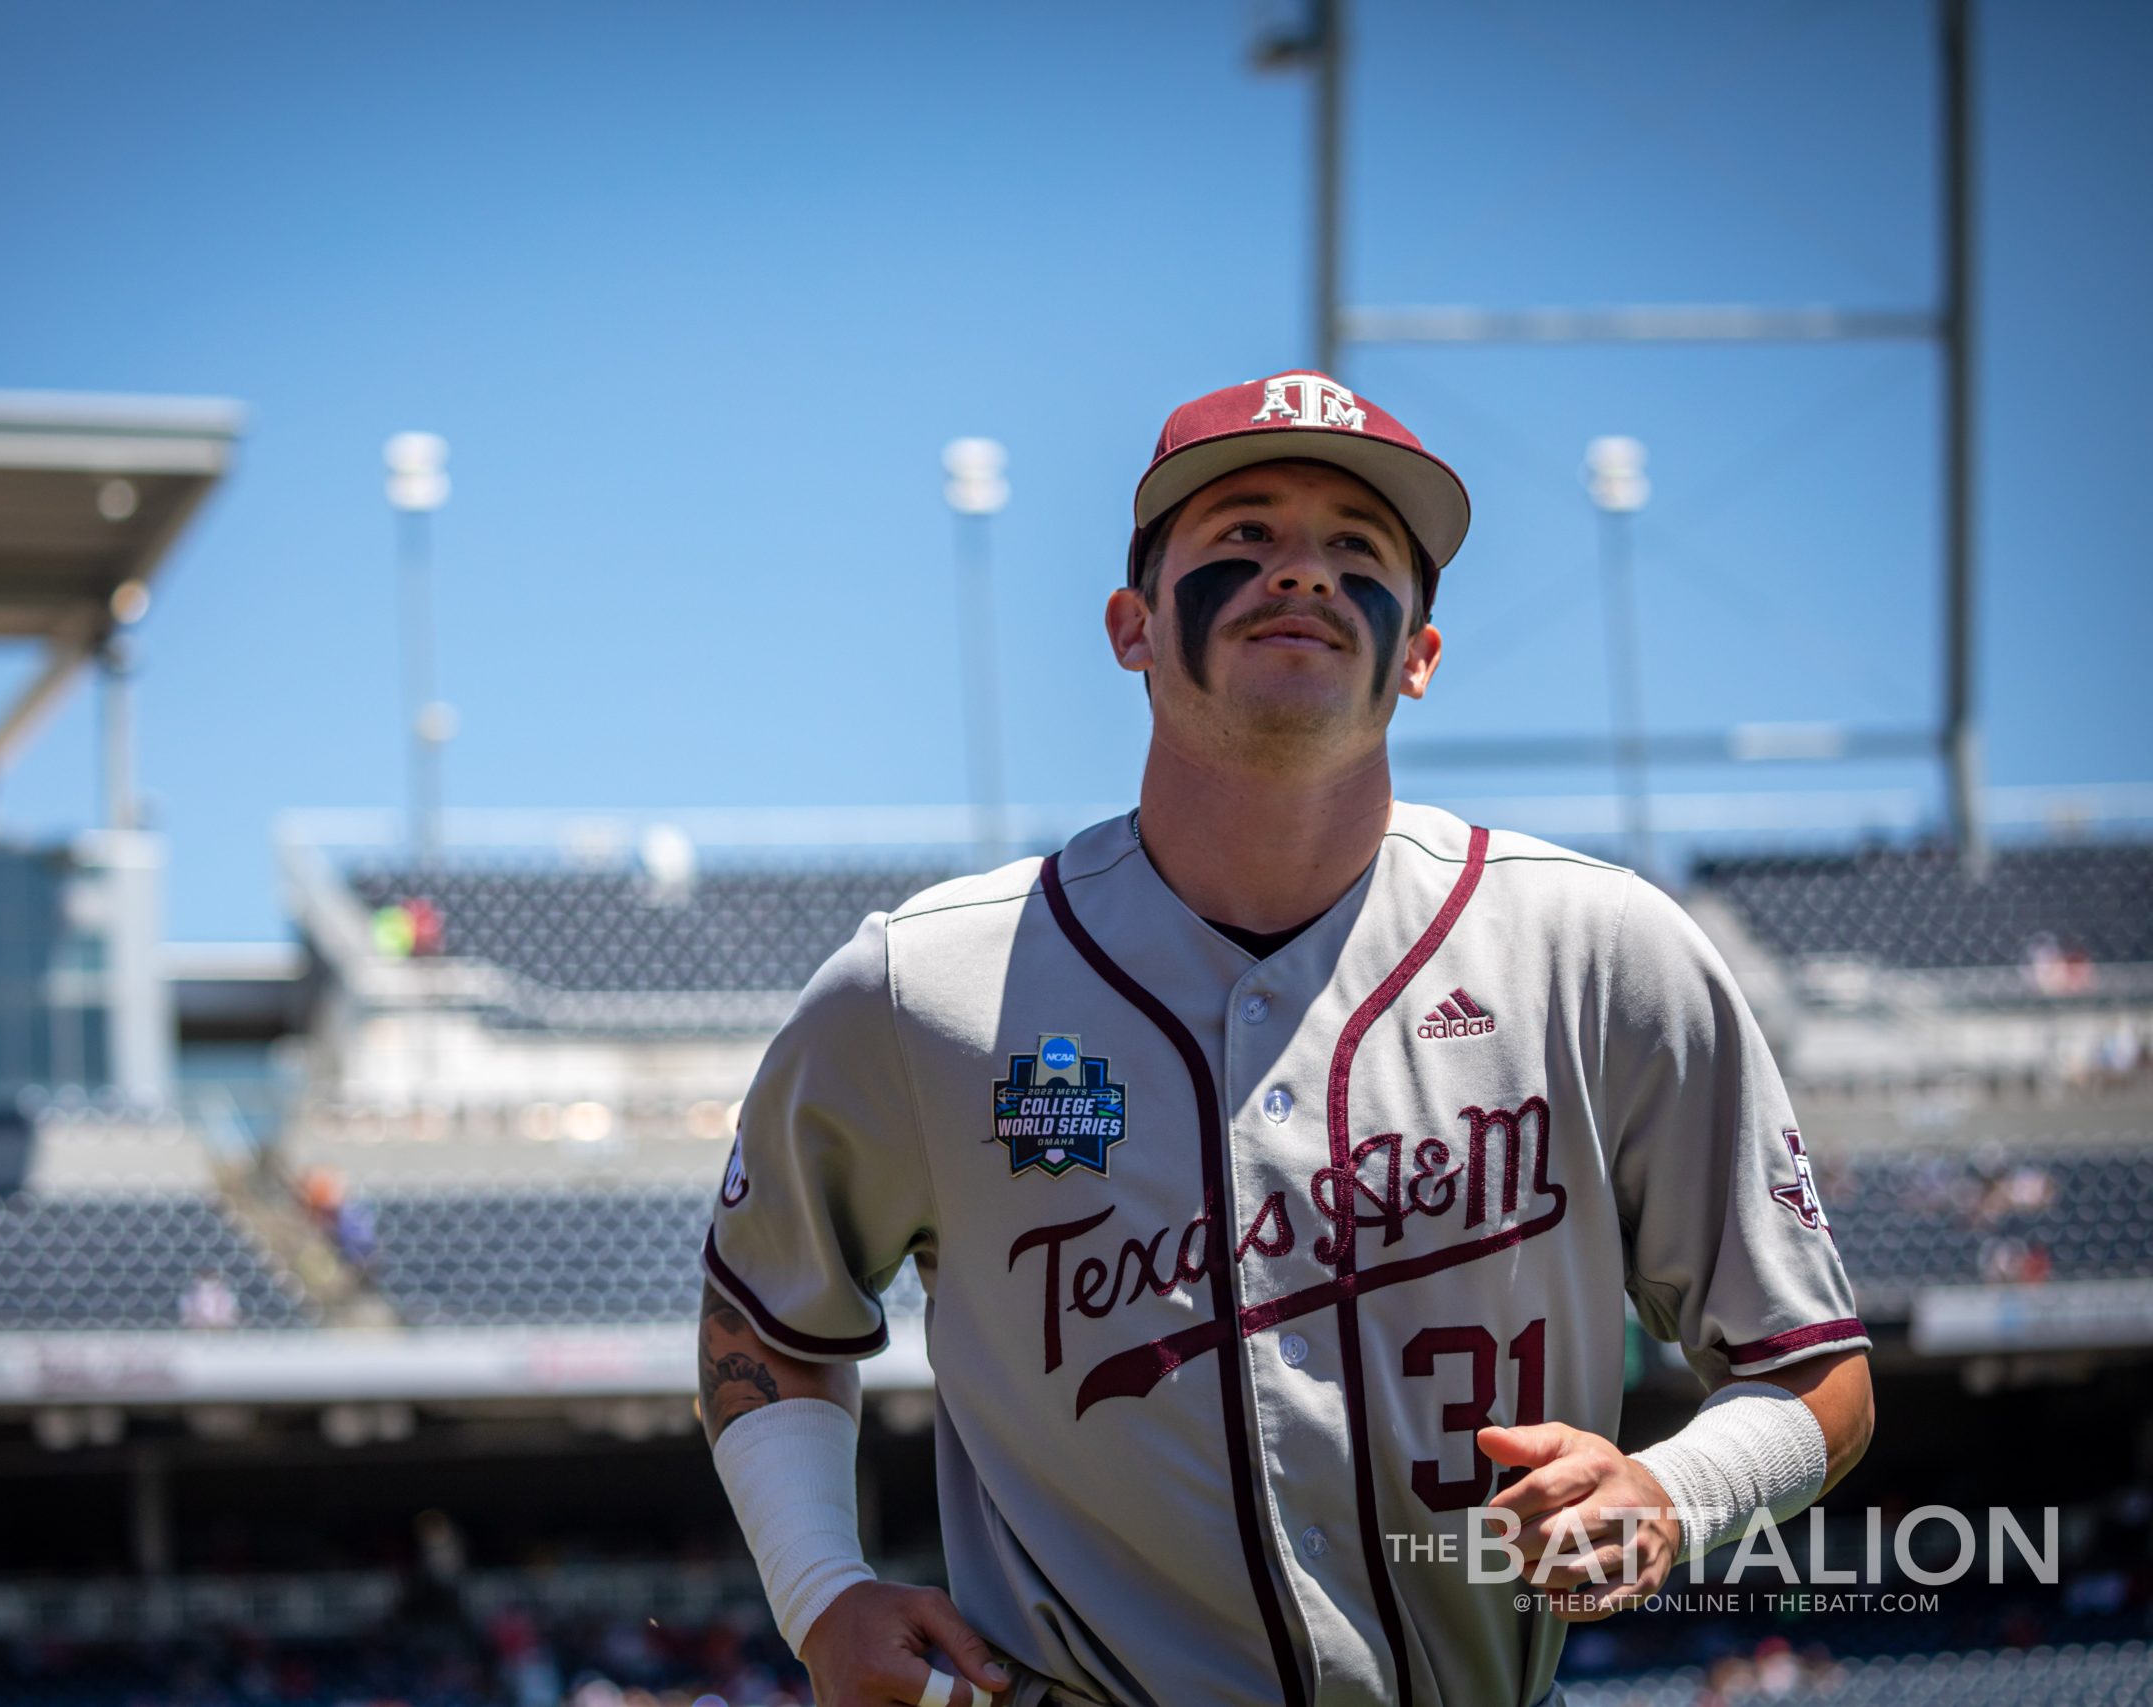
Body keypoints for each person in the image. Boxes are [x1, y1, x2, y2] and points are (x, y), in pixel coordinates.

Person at [695, 369, 1873, 1707]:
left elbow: (1812, 1369)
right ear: (1132, 626)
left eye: (1356, 551)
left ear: (1421, 652)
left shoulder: (1599, 951)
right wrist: (819, 1593)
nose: (1301, 574)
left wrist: (1672, 1487)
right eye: (1243, 537)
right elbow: (767, 1314)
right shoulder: (926, 986)